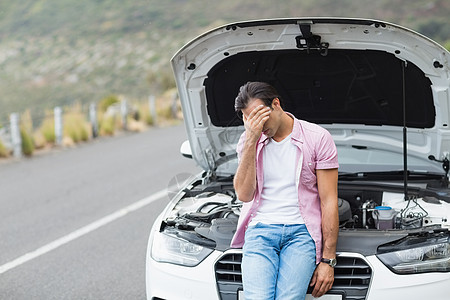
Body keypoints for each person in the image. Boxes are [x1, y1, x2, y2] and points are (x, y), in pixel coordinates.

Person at [230, 81, 339, 300]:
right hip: (260, 231)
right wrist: (251, 139)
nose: (258, 126)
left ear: (276, 104)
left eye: (261, 117)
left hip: (301, 233)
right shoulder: (250, 139)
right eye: (251, 120)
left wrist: (328, 260)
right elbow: (243, 195)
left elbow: (329, 201)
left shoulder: (317, 138)